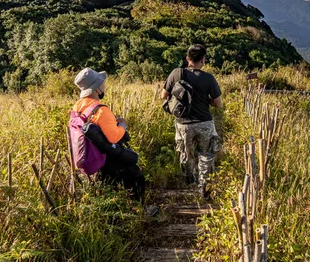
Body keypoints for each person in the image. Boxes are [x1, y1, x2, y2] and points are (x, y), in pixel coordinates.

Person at [73, 68, 157, 215]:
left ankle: (112, 214)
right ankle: (141, 211)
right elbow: (114, 137)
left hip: (93, 154)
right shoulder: (100, 110)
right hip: (109, 154)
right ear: (96, 88)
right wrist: (122, 125)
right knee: (136, 176)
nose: (104, 85)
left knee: (107, 183)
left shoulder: (78, 107)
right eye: (102, 83)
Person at [161, 44, 222, 199]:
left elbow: (163, 95)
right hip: (204, 122)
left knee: (186, 153)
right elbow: (218, 104)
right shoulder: (208, 78)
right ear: (203, 60)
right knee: (205, 154)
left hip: (183, 123)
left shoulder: (176, 73)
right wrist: (206, 100)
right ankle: (203, 186)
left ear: (187, 59)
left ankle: (189, 181)